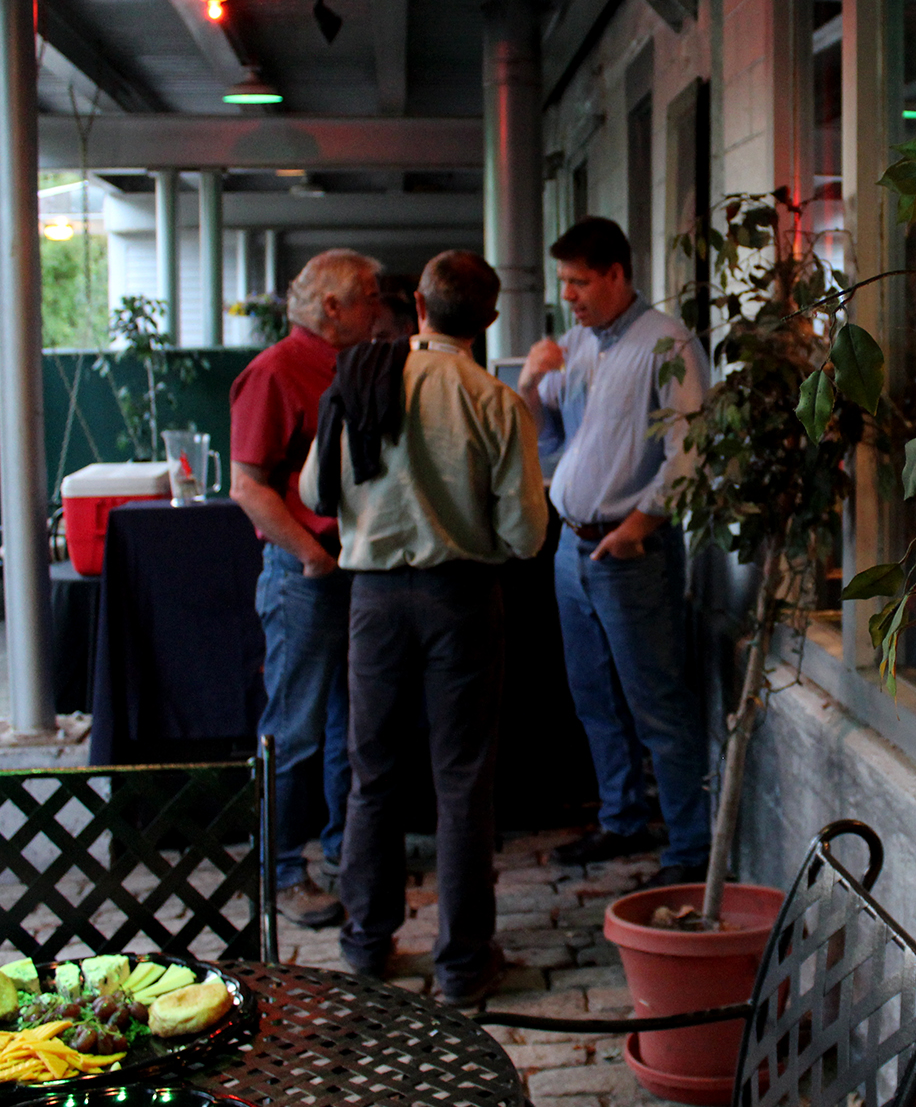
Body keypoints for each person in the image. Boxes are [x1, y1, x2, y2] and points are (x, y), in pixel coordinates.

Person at [301, 249, 548, 998]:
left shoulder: (362, 376)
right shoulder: (494, 399)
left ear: (418, 306)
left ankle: (367, 944)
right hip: (461, 599)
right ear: (490, 319)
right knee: (463, 780)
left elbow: (316, 490)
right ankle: (463, 963)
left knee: (372, 774)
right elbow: (527, 536)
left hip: (373, 600)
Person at [518, 217, 712, 886]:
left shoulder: (667, 343)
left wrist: (640, 523)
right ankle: (622, 818)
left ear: (617, 275)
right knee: (593, 697)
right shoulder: (575, 344)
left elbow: (692, 450)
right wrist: (529, 381)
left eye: (578, 282)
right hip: (571, 548)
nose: (568, 294)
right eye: (563, 282)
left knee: (657, 701)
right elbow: (539, 439)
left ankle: (689, 847)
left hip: (630, 550)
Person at [229, 248, 383, 929]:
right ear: (332, 307)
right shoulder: (273, 372)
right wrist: (311, 555)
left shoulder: (355, 365)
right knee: (293, 730)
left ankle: (341, 858)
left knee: (349, 725)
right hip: (308, 573)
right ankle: (282, 872)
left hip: (355, 571)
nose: (379, 308)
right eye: (370, 296)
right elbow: (247, 485)